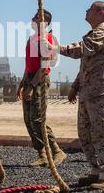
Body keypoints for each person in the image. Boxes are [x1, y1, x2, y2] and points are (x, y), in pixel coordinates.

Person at [49, 1, 104, 190]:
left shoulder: (102, 32)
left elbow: (82, 49)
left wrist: (56, 48)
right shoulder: (94, 33)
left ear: (100, 12)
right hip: (89, 92)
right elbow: (87, 66)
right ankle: (97, 172)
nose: (86, 11)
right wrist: (75, 87)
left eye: (90, 8)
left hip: (102, 91)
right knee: (86, 134)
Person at [17, 10, 67, 167]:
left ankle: (57, 151)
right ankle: (42, 154)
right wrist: (22, 83)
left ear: (44, 21)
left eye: (36, 16)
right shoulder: (32, 38)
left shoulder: (47, 39)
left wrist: (32, 86)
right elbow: (29, 65)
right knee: (28, 119)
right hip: (30, 79)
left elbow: (45, 65)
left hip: (39, 80)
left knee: (37, 119)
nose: (31, 18)